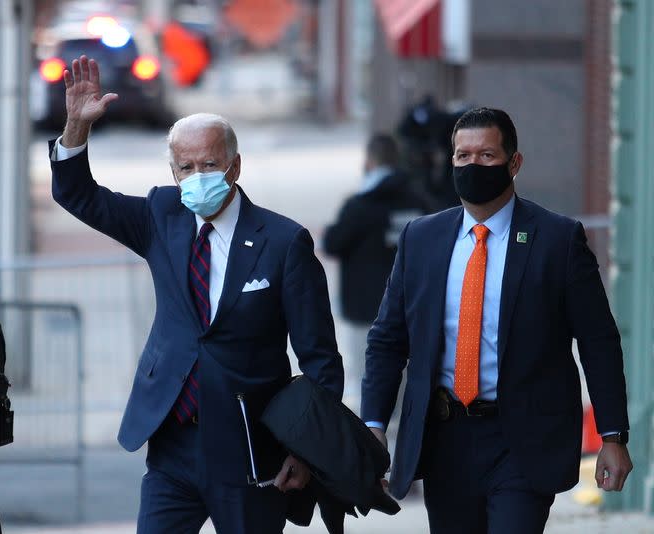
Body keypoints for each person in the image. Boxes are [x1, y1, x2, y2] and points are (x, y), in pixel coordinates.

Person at [50, 55, 343, 533]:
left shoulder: (284, 241)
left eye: (210, 164)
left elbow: (321, 360)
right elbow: (79, 196)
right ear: (172, 171)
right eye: (185, 167)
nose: (198, 176)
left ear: (235, 166)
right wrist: (76, 129)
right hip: (172, 441)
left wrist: (306, 450)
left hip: (250, 447)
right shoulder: (161, 214)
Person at [361, 107, 632, 533]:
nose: (473, 165)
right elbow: (387, 340)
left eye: (486, 156)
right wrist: (373, 424)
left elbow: (598, 341)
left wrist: (613, 436)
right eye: (462, 156)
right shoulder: (422, 239)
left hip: (523, 440)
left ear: (514, 162)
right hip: (445, 438)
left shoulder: (557, 240)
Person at [323, 133, 429, 410]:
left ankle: (373, 428)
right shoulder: (419, 201)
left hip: (364, 307)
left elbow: (333, 242)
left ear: (369, 161)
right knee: (405, 375)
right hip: (411, 306)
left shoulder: (360, 205)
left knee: (367, 373)